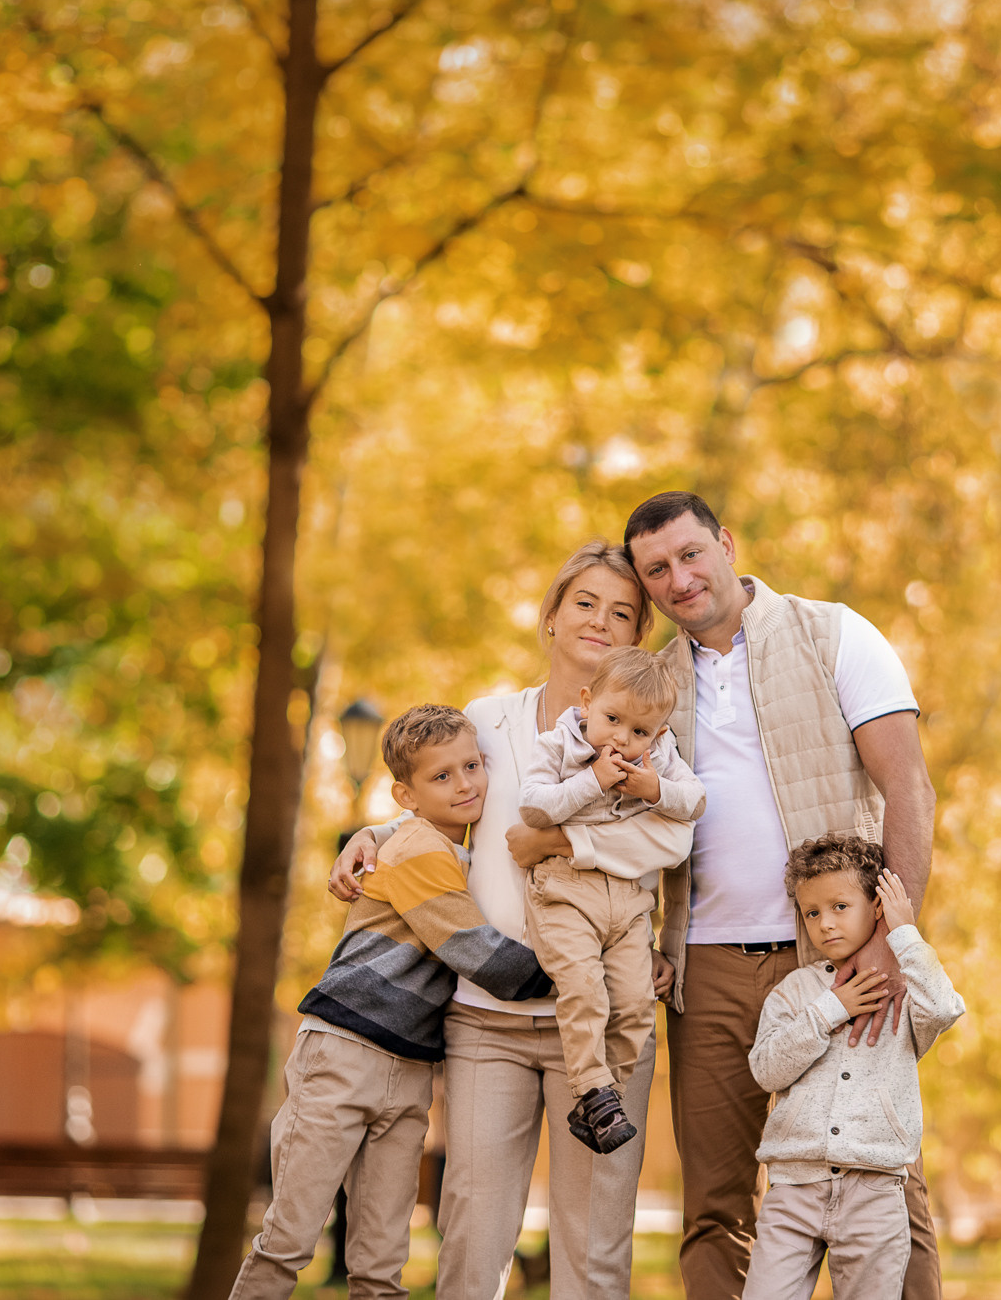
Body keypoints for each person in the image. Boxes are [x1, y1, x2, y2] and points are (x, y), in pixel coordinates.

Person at [329, 541, 685, 1300]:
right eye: (584, 602)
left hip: (600, 1021)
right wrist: (376, 835)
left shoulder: (651, 743)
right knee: (471, 1238)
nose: (600, 620)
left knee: (595, 1250)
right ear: (550, 617)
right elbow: (441, 804)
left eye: (623, 613)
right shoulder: (491, 720)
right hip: (486, 1024)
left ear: (636, 641)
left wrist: (556, 839)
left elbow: (672, 838)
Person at [623, 489, 945, 1300]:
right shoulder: (653, 684)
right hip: (707, 968)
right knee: (716, 1207)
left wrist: (885, 939)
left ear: (726, 544)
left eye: (691, 553)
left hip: (838, 957)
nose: (679, 578)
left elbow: (907, 786)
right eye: (656, 569)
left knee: (884, 1180)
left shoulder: (832, 632)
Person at [230, 705, 552, 1300]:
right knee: (289, 1240)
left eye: (472, 766)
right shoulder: (415, 849)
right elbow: (475, 951)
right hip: (343, 1055)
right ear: (406, 793)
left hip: (408, 1069)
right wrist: (586, 975)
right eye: (442, 777)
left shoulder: (455, 851)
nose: (465, 784)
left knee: (381, 1262)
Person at [742, 836, 964, 1300]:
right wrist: (830, 1010)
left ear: (877, 907)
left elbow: (944, 1008)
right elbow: (766, 1069)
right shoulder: (795, 992)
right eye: (813, 913)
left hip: (875, 1190)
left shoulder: (903, 990)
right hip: (793, 1190)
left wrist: (904, 935)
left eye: (840, 906)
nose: (825, 924)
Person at [517, 645, 705, 1154]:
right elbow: (534, 810)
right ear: (587, 702)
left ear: (659, 734)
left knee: (637, 1006)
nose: (622, 738)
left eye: (640, 731)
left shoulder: (659, 759)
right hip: (564, 890)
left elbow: (695, 804)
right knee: (584, 991)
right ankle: (593, 1089)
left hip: (628, 903)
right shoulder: (560, 743)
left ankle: (603, 1101)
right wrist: (592, 780)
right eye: (612, 719)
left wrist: (655, 788)